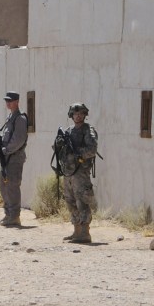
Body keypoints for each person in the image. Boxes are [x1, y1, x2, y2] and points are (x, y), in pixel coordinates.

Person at [55, 103, 98, 243]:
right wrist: (59, 144)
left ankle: (85, 233)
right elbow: (58, 150)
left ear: (85, 115)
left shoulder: (88, 130)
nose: (78, 116)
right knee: (70, 200)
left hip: (81, 172)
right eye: (75, 114)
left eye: (80, 114)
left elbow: (92, 149)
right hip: (68, 172)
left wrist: (78, 153)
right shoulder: (68, 131)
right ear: (71, 115)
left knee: (82, 200)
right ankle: (76, 231)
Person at [0, 91, 28, 227]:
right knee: (4, 186)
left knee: (13, 186)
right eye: (6, 101)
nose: (8, 103)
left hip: (14, 158)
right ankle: (8, 214)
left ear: (17, 102)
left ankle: (15, 216)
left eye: (10, 101)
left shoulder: (20, 119)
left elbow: (18, 140)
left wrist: (6, 149)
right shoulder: (10, 117)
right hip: (7, 158)